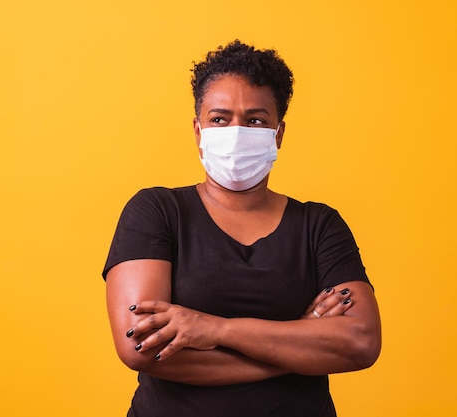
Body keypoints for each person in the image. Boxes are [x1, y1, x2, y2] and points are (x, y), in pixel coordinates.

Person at [102, 40, 381, 417]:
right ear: (199, 131)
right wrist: (296, 345)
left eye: (254, 120)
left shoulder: (319, 225)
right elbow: (143, 347)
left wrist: (215, 329)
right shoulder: (156, 212)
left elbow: (360, 341)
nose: (235, 132)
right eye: (219, 119)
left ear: (278, 134)